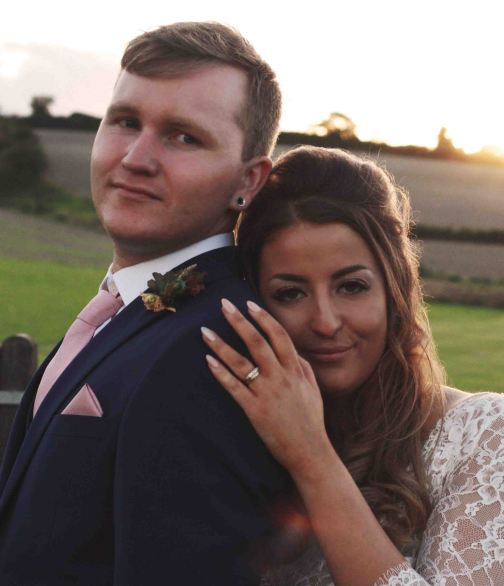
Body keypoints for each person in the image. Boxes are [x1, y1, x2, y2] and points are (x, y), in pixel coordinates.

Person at [0, 22, 296, 584]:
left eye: (184, 137)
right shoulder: (123, 311)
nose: (136, 158)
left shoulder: (219, 347)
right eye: (126, 121)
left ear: (249, 182)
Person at [201, 145, 504, 585]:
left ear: (393, 287)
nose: (325, 322)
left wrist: (310, 456)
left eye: (351, 286)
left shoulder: (486, 432)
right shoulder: (232, 434)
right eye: (291, 293)